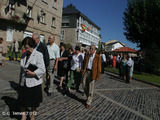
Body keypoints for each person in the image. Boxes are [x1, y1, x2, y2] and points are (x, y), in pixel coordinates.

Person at [18, 37, 45, 120]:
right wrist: (20, 81)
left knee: (33, 103)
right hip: (24, 81)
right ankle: (23, 116)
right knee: (21, 101)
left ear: (31, 46)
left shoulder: (38, 54)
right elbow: (21, 70)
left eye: (26, 47)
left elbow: (42, 69)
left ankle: (32, 116)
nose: (25, 49)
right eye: (24, 47)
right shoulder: (24, 55)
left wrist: (33, 73)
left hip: (33, 82)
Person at [82, 45, 101, 109]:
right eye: (90, 49)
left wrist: (98, 76)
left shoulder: (97, 57)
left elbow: (99, 67)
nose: (91, 50)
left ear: (95, 50)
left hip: (93, 73)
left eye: (92, 49)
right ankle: (88, 98)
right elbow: (84, 62)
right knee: (84, 85)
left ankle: (89, 102)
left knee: (91, 88)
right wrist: (86, 55)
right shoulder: (88, 55)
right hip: (86, 71)